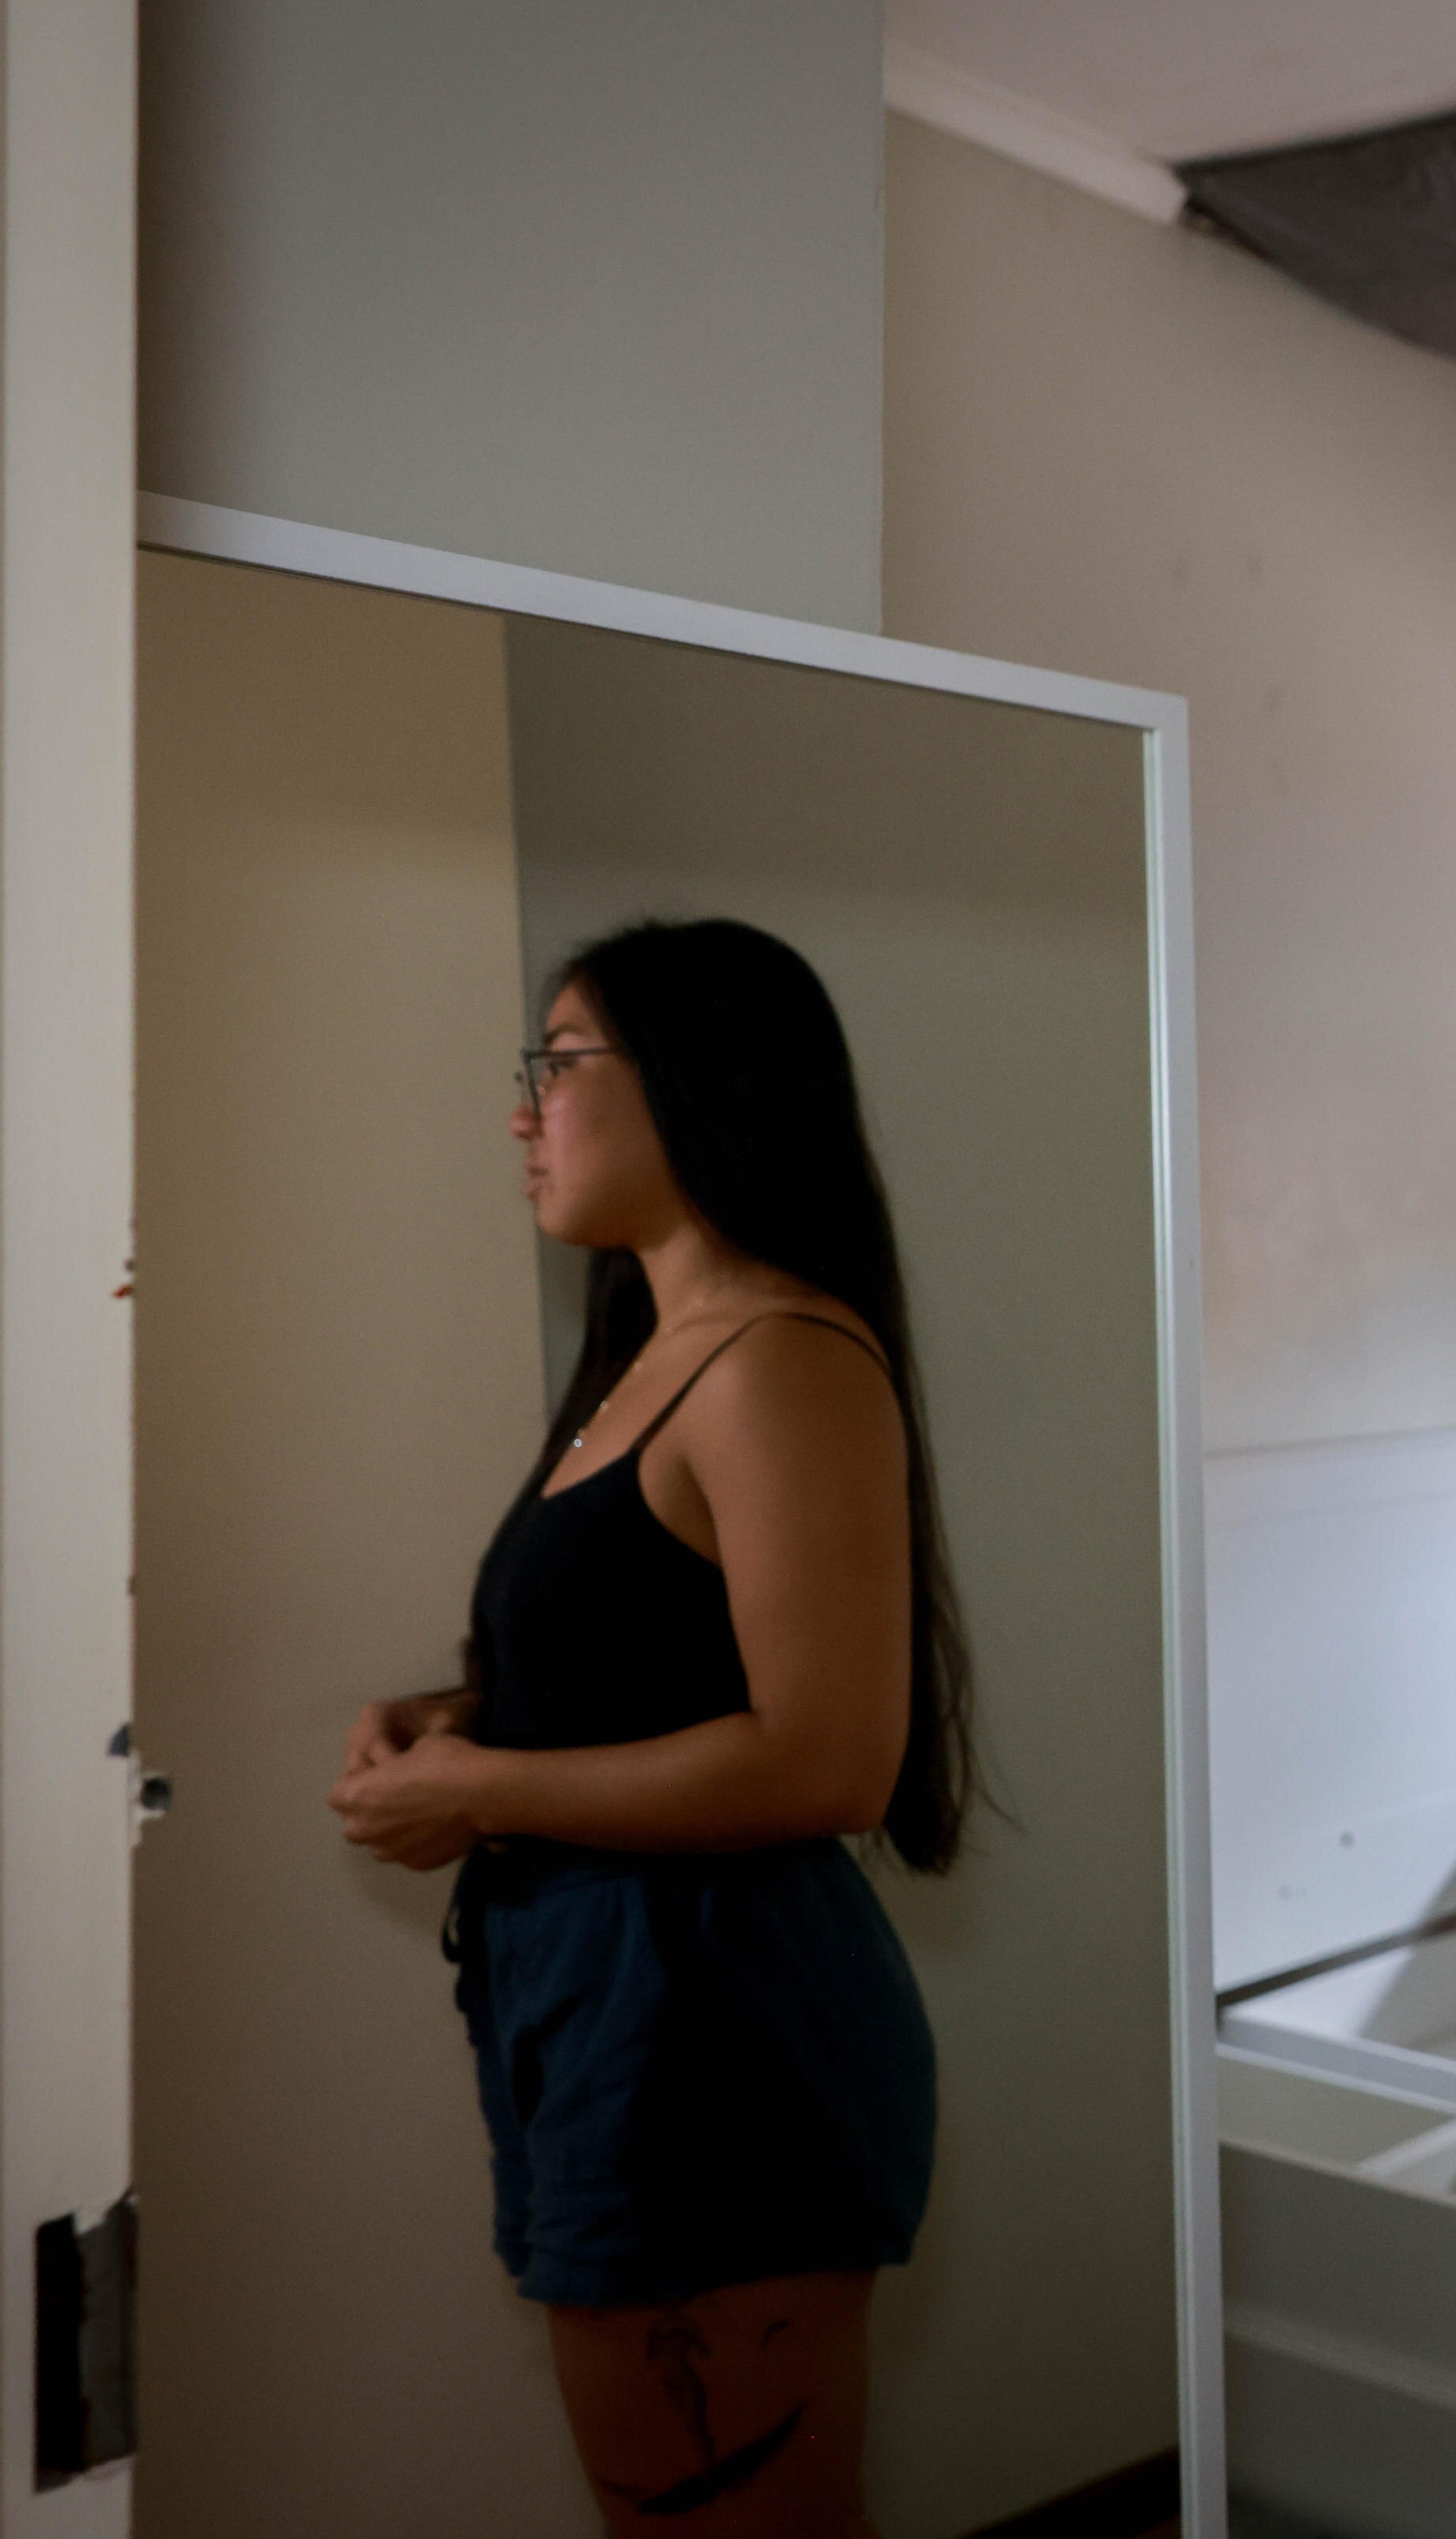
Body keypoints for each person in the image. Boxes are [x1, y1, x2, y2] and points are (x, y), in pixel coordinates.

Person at [329, 917, 969, 2539]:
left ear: (695, 1080)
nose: (522, 1110)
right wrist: (463, 1720)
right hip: (613, 2004)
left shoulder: (779, 1359)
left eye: (560, 1062)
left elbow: (830, 1756)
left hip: (710, 2023)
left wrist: (484, 1784)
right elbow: (669, 1666)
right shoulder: (651, 1359)